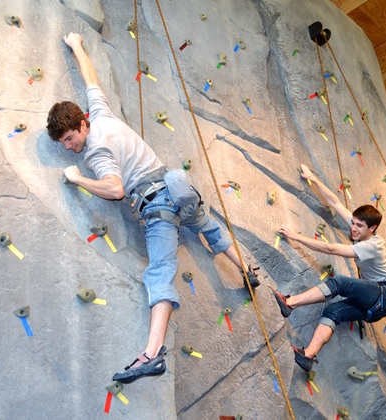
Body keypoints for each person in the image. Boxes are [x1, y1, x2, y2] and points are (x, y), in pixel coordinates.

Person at [48, 32, 260, 384]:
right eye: (63, 143)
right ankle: (247, 270)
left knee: (159, 272)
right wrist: (76, 47)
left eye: (70, 139)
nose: (70, 147)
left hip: (156, 205)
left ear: (81, 125)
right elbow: (91, 81)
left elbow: (115, 189)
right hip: (177, 190)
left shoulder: (96, 151)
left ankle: (151, 354)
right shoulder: (100, 115)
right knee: (209, 228)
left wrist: (77, 180)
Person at [271, 164, 386, 372]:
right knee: (333, 311)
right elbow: (334, 201)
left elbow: (330, 248)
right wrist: (312, 178)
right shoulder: (360, 228)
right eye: (354, 223)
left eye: (359, 226)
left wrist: (295, 236)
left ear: (372, 229)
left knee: (340, 283)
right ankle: (309, 356)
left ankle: (290, 303)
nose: (354, 229)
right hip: (375, 308)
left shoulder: (372, 245)